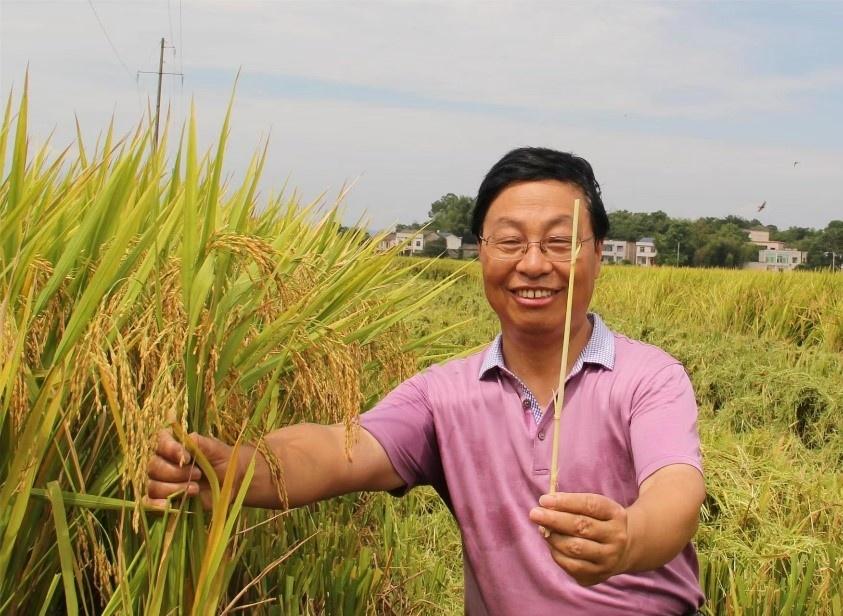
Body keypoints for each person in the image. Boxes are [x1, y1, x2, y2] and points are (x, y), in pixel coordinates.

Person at [147, 147, 705, 615]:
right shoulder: (443, 395)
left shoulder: (648, 378)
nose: (533, 264)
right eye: (510, 242)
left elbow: (675, 494)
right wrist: (236, 467)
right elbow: (336, 449)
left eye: (559, 242)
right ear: (482, 253)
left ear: (598, 254)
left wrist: (628, 538)